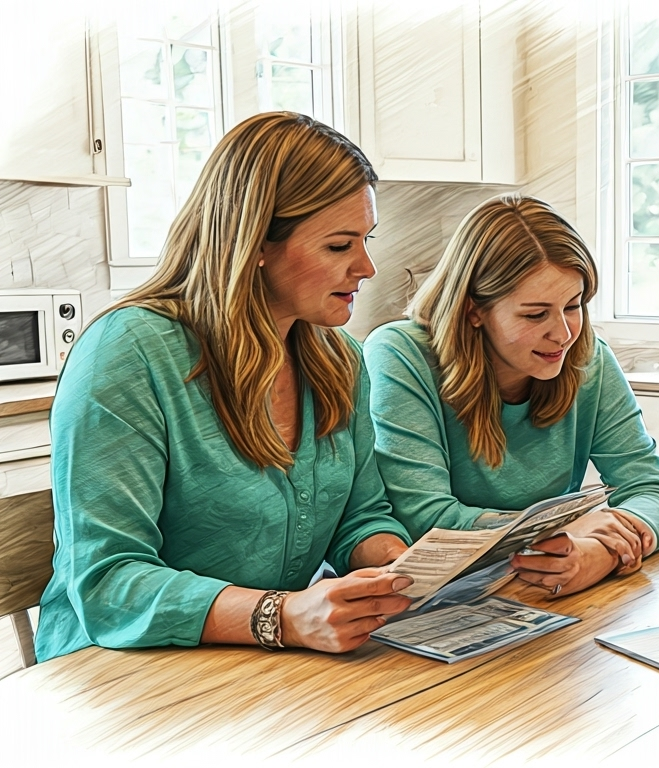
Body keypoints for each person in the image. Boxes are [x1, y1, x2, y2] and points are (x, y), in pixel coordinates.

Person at [37, 112, 415, 662]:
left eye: (366, 239)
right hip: (115, 675)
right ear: (256, 242)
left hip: (265, 663)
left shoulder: (339, 359)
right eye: (339, 246)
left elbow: (360, 514)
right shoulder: (128, 353)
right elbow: (107, 584)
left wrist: (399, 565)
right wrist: (282, 617)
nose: (367, 267)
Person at [364, 194, 659, 597]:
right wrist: (561, 531)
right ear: (473, 310)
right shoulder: (400, 354)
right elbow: (426, 519)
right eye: (535, 314)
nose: (563, 334)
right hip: (430, 598)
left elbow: (653, 489)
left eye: (573, 305)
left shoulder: (588, 357)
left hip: (536, 596)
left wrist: (600, 552)